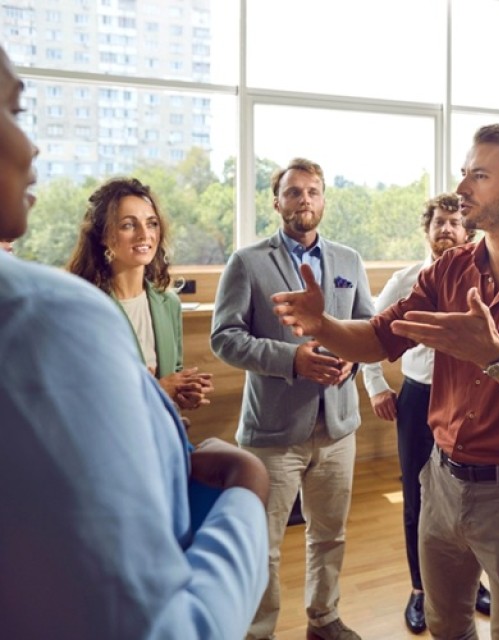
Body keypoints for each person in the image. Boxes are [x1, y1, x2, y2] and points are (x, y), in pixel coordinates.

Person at [272, 124, 499, 640]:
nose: (462, 188)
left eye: (480, 176)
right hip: (441, 481)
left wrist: (498, 356)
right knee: (445, 624)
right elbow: (380, 337)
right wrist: (323, 326)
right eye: (463, 173)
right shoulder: (449, 270)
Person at [0, 43, 270, 638]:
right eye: (14, 112)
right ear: (104, 237)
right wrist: (249, 486)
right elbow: (160, 624)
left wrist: (171, 399)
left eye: (150, 224)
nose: (33, 146)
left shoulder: (164, 304)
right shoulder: (61, 311)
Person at [211, 157, 374, 640]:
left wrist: (352, 360)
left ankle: (324, 619)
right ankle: (257, 631)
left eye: (313, 191)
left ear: (324, 199)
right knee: (262, 544)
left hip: (338, 428)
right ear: (276, 201)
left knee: (330, 535)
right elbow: (225, 338)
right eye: (294, 191)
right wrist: (292, 359)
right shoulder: (247, 262)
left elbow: (367, 327)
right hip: (273, 432)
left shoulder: (349, 260)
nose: (305, 199)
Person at [359, 193, 490, 634]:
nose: (447, 229)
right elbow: (371, 334)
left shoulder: (483, 280)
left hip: (469, 399)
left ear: (468, 231)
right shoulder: (405, 280)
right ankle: (420, 590)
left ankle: (472, 585)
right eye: (439, 222)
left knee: (469, 495)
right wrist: (377, 386)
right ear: (427, 229)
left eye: (455, 222)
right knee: (417, 497)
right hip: (418, 397)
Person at [66, 177, 214, 413]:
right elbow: (79, 394)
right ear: (103, 235)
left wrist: (182, 395)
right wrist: (159, 390)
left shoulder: (169, 303)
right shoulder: (84, 307)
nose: (144, 234)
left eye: (152, 223)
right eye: (128, 225)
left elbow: (172, 377)